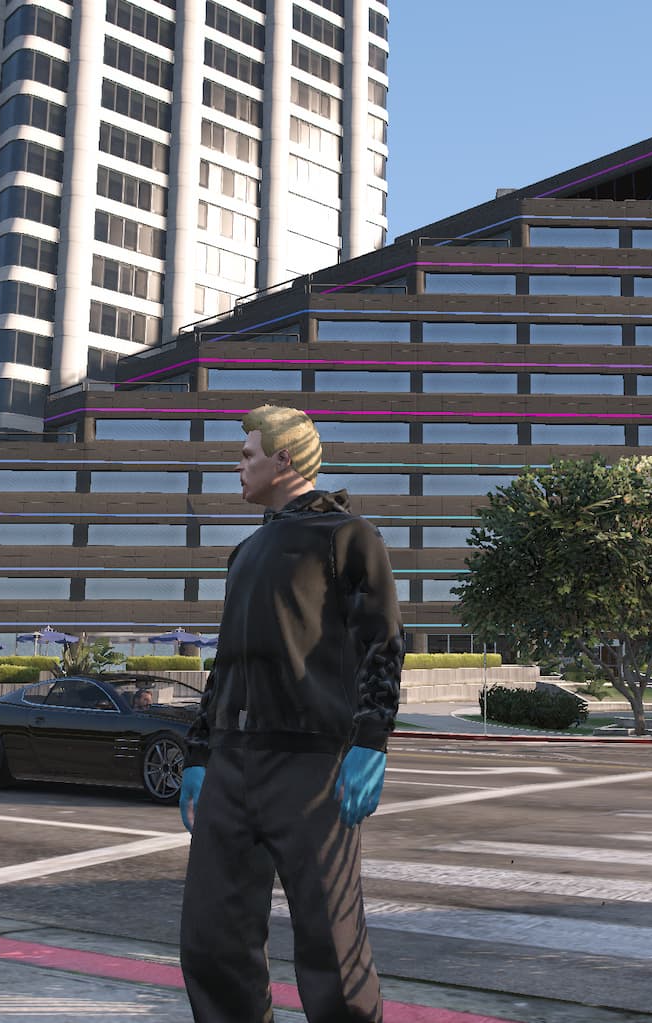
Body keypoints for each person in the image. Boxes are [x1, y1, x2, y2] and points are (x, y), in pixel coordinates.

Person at [177, 405, 403, 1023]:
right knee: (210, 942)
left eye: (247, 454)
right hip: (229, 766)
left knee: (331, 947)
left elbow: (381, 642)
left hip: (310, 768)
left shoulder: (349, 537)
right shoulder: (246, 551)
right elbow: (225, 664)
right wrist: (200, 754)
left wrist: (371, 741)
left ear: (283, 460)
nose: (238, 466)